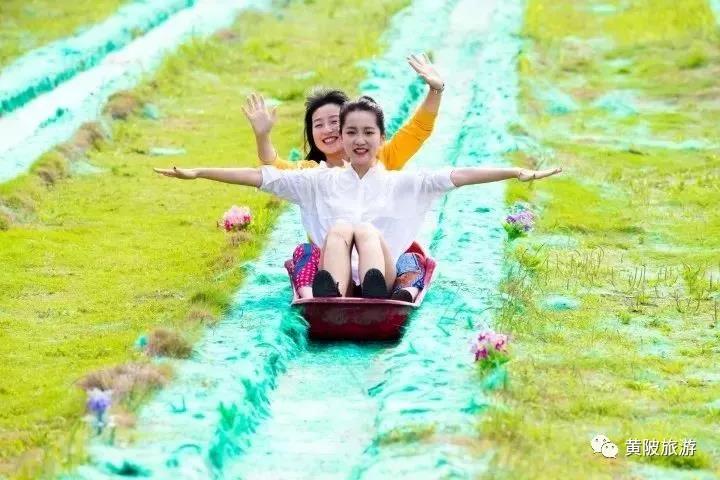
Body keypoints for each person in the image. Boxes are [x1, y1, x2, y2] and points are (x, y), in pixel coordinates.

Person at [154, 97, 561, 300]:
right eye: (351, 133)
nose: (359, 139)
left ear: (381, 139)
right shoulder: (318, 181)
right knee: (339, 229)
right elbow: (262, 176)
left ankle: (373, 290)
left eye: (368, 133)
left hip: (381, 274)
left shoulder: (403, 181)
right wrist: (199, 172)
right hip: (337, 272)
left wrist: (515, 172)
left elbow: (460, 175)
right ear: (341, 141)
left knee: (364, 230)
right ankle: (330, 292)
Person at [241, 53, 444, 299]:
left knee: (412, 257)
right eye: (318, 124)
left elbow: (418, 130)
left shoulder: (383, 157)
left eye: (334, 122)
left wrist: (435, 90)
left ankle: (401, 293)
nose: (327, 130)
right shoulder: (311, 174)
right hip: (332, 270)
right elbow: (272, 168)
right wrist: (262, 135)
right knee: (305, 252)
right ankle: (314, 295)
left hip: (380, 264)